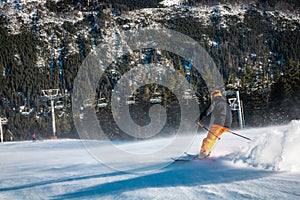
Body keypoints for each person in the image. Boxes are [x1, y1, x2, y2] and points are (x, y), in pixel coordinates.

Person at [196, 90, 232, 158]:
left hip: (219, 123)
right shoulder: (225, 102)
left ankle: (203, 153)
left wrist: (198, 119)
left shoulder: (215, 101)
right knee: (213, 138)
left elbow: (208, 110)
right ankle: (207, 152)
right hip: (227, 124)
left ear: (213, 95)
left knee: (209, 139)